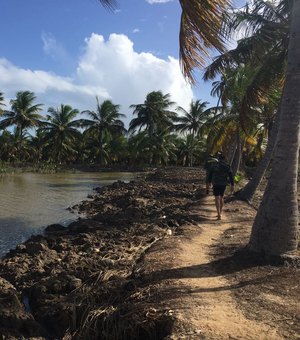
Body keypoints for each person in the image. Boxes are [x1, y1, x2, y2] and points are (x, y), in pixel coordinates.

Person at [208, 152, 234, 220]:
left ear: (218, 158)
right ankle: (220, 212)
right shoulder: (227, 166)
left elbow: (210, 174)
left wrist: (209, 182)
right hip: (223, 183)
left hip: (216, 183)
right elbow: (231, 176)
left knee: (217, 198)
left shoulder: (214, 165)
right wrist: (232, 185)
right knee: (221, 197)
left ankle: (218, 213)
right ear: (225, 159)